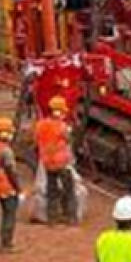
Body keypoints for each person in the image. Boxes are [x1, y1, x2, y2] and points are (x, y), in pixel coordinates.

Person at [35, 95, 77, 225]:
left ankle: (52, 218)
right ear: (58, 111)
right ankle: (71, 217)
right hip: (62, 163)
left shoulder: (40, 125)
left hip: (47, 163)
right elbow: (69, 140)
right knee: (69, 190)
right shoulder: (62, 126)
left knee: (51, 191)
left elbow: (37, 140)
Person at [0, 117, 22, 251]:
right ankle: (6, 243)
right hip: (7, 187)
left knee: (5, 213)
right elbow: (10, 171)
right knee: (9, 214)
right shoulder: (6, 151)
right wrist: (18, 188)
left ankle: (4, 241)